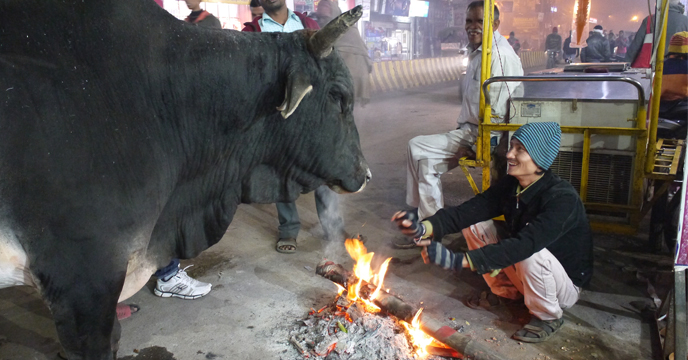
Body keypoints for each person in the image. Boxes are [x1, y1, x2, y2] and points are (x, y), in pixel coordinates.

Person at [392, 122, 593, 343]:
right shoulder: (512, 184)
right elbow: (469, 211)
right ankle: (508, 293)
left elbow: (525, 245)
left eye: (520, 150)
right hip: (528, 267)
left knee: (529, 253)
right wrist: (425, 227)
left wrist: (458, 260)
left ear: (539, 159)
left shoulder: (562, 198)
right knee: (474, 225)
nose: (509, 154)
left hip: (562, 286)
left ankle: (547, 316)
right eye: (511, 147)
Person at [397, 1, 524, 248]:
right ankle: (431, 229)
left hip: (483, 137)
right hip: (467, 132)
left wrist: (479, 146)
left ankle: (421, 219)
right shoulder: (479, 52)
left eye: (480, 21)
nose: (472, 27)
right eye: (469, 21)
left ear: (496, 24)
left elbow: (500, 114)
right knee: (425, 164)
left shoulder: (500, 55)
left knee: (416, 147)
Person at [242, 0, 350, 254]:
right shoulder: (251, 32)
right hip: (277, 115)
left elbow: (330, 65)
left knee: (323, 169)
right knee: (282, 172)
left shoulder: (308, 24)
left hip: (314, 113)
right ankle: (289, 229)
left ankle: (334, 228)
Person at [315, 0, 372, 106]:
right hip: (338, 82)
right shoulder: (317, 31)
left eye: (324, 18)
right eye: (320, 18)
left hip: (346, 80)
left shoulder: (350, 30)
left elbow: (364, 56)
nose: (321, 21)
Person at [625, 0, 688, 64]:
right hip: (678, 68)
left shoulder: (649, 20)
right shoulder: (686, 21)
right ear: (679, 4)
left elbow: (635, 47)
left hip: (652, 67)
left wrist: (625, 65)